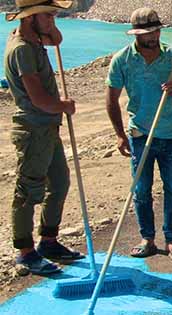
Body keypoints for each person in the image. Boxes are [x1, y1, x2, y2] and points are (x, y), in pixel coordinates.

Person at [106, 8, 172, 262]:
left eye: (156, 30)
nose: (153, 36)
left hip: (171, 134)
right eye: (147, 33)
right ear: (136, 34)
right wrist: (120, 135)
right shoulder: (122, 60)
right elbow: (111, 100)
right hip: (140, 133)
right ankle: (147, 238)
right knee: (141, 189)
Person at [4, 0, 84, 275]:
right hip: (33, 129)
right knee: (29, 190)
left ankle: (48, 241)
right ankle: (25, 252)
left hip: (48, 128)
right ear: (29, 18)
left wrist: (48, 25)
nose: (53, 20)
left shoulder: (33, 39)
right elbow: (38, 99)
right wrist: (64, 105)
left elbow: (57, 40)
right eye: (48, 15)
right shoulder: (23, 50)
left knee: (59, 183)